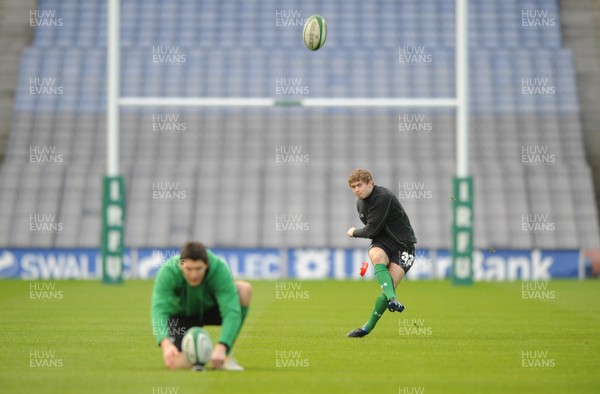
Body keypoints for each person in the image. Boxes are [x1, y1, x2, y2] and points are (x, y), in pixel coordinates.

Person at [151, 241, 252, 370]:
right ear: (181, 265)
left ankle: (225, 356)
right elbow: (159, 309)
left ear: (207, 264)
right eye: (189, 269)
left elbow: (231, 311)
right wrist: (165, 344)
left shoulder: (219, 269)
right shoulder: (168, 271)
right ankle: (205, 357)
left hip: (211, 310)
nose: (194, 275)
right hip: (182, 315)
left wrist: (222, 345)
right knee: (176, 364)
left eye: (198, 269)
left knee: (244, 290)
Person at [345, 168, 417, 338]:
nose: (356, 190)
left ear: (371, 183)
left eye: (359, 185)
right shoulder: (360, 204)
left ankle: (368, 326)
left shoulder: (382, 197)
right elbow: (375, 232)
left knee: (388, 287)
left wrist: (354, 232)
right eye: (353, 187)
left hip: (404, 246)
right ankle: (392, 300)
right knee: (377, 257)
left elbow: (370, 230)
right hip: (383, 243)